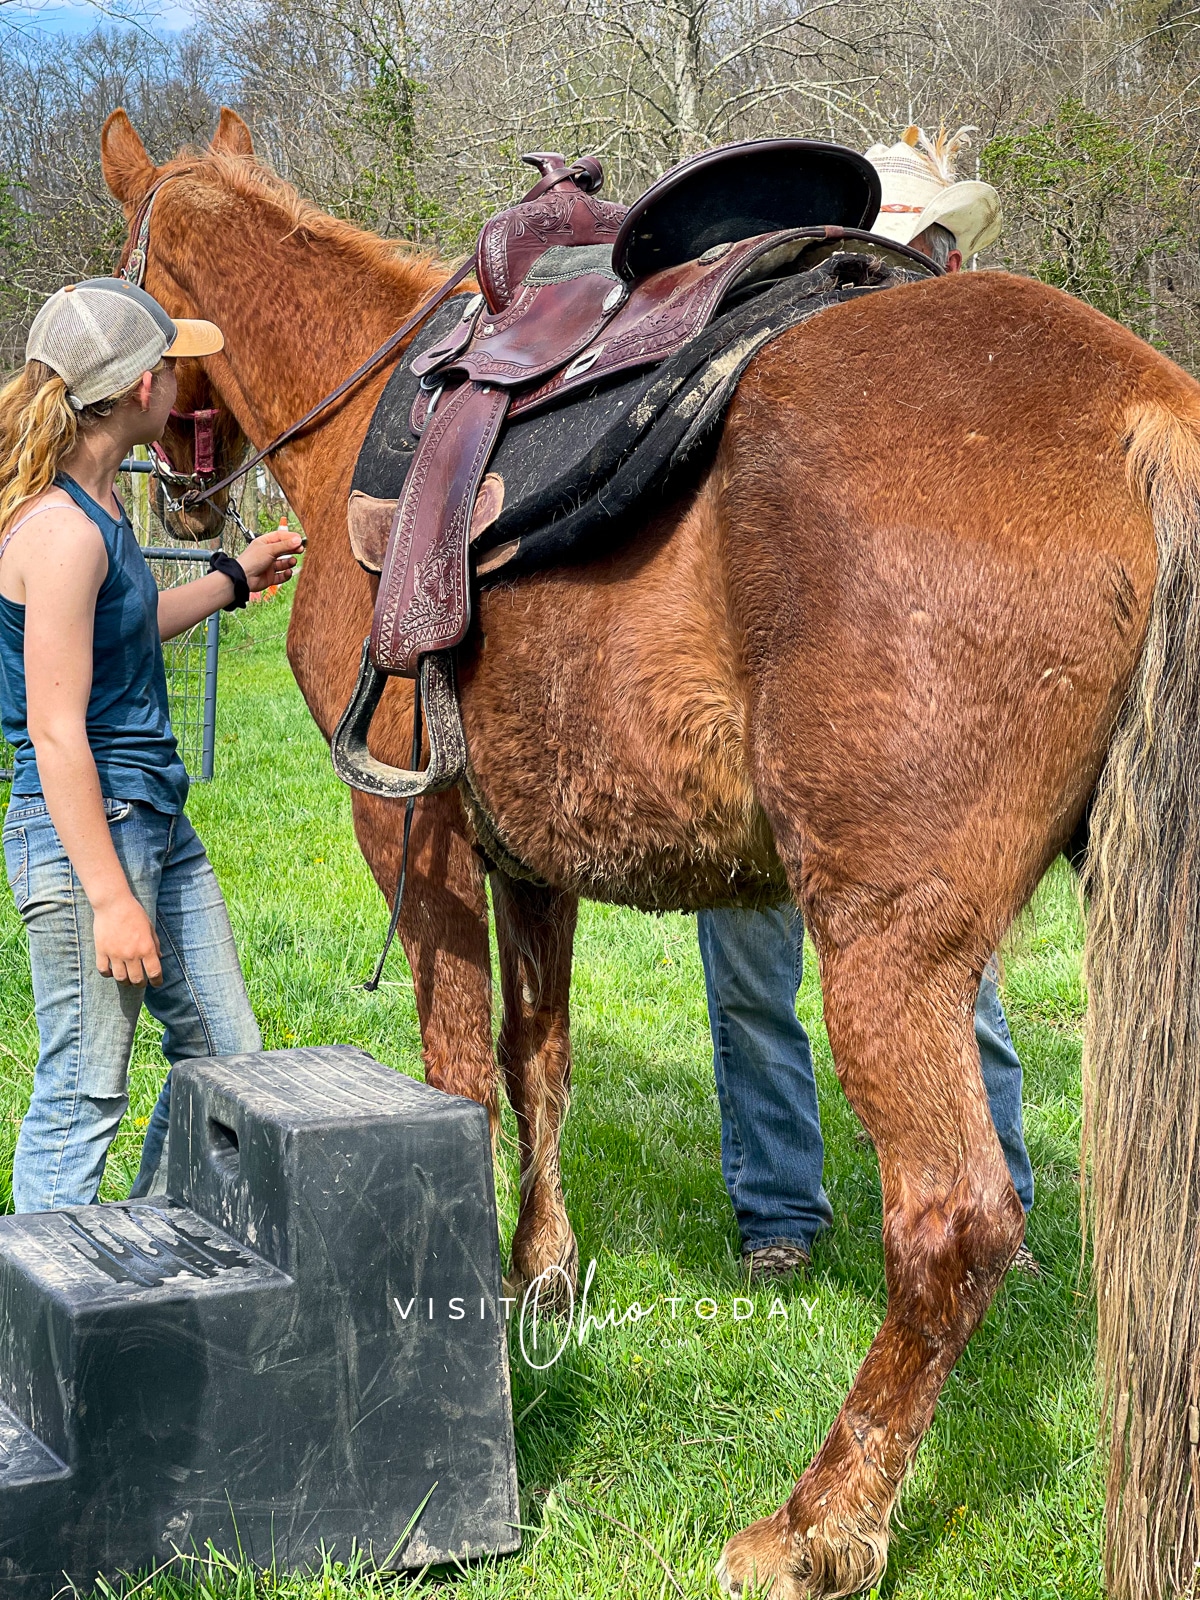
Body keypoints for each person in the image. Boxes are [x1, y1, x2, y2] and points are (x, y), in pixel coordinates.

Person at [698, 128, 1035, 1284]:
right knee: (753, 978)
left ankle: (1007, 1206)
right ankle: (780, 1211)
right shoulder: (758, 375)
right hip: (762, 707)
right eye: (926, 239)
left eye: (947, 244)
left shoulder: (971, 395)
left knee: (960, 974)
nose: (943, 263)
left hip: (917, 730)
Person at [0, 277, 302, 1213]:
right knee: (83, 1093)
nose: (186, 379)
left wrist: (231, 577)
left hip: (152, 818)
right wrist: (109, 900)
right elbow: (55, 731)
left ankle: (143, 1242)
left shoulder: (96, 509)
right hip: (88, 834)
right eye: (176, 364)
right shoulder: (57, 533)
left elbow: (123, 630)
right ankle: (34, 1340)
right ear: (139, 388)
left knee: (226, 1061)